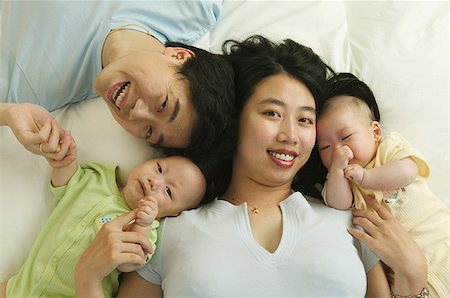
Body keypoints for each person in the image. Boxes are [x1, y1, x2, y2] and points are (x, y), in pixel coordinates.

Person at [74, 36, 428, 297]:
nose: (290, 134)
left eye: (305, 120)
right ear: (235, 120)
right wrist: (88, 279)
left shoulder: (351, 224)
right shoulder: (166, 234)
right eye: (272, 113)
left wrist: (413, 279)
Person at [0, 1, 235, 162]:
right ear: (179, 57)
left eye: (149, 131)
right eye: (163, 105)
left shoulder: (26, 88)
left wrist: (8, 114)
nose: (136, 114)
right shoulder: (190, 9)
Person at [0, 119, 207, 298]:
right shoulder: (97, 178)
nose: (156, 182)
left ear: (172, 214)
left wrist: (143, 223)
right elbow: (64, 184)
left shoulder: (146, 228)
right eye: (159, 168)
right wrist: (64, 159)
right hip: (18, 287)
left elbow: (128, 263)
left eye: (169, 192)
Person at [316, 72, 450, 297]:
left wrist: (368, 178)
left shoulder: (389, 149)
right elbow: (338, 204)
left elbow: (409, 171)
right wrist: (338, 170)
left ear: (375, 131)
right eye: (325, 148)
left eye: (346, 137)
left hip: (441, 243)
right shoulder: (340, 180)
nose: (339, 150)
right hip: (406, 277)